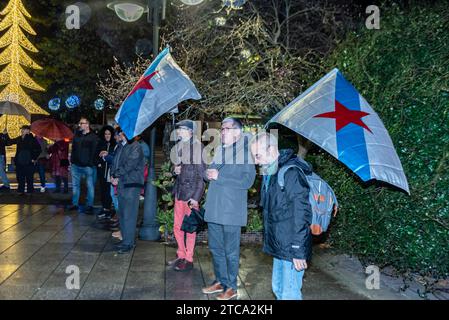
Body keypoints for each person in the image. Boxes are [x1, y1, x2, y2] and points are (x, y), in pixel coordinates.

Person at [250, 132, 312, 300]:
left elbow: (301, 213)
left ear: (270, 150)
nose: (255, 161)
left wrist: (298, 250)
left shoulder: (291, 173)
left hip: (292, 246)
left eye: (257, 155)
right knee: (278, 289)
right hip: (280, 245)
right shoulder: (271, 173)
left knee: (289, 294)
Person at [202, 117, 256, 300]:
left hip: (231, 211)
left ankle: (231, 286)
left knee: (231, 252)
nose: (222, 132)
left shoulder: (246, 153)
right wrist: (207, 174)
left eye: (226, 129)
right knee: (216, 249)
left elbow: (248, 181)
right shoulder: (220, 150)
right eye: (222, 129)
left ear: (237, 132)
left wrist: (219, 177)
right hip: (215, 208)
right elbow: (210, 172)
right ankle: (221, 281)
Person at [168, 120, 206, 272]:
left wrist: (196, 197)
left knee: (189, 228)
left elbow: (202, 176)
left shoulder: (198, 148)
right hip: (179, 193)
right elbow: (176, 168)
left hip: (190, 195)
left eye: (182, 129)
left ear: (191, 131)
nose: (178, 132)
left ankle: (188, 258)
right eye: (178, 129)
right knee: (177, 227)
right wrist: (174, 170)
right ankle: (181, 254)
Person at [110, 129, 145, 254]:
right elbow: (115, 162)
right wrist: (113, 175)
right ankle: (126, 240)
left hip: (131, 184)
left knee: (129, 215)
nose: (118, 135)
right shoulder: (121, 146)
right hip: (122, 183)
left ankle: (128, 243)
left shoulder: (135, 147)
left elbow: (130, 165)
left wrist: (116, 175)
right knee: (123, 214)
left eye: (120, 133)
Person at [67, 117, 99, 214]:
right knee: (75, 186)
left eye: (82, 123)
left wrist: (90, 163)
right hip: (75, 165)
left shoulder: (93, 137)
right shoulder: (77, 135)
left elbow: (94, 152)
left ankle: (89, 205)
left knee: (90, 186)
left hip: (88, 166)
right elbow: (73, 149)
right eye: (79, 123)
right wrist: (72, 161)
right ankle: (75, 204)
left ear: (87, 124)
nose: (80, 125)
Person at [6, 125, 41, 195]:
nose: (21, 130)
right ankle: (20, 190)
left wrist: (34, 158)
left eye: (23, 129)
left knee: (29, 177)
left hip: (28, 161)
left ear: (28, 131)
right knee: (20, 176)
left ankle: (30, 190)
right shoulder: (19, 138)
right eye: (22, 129)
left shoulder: (32, 139)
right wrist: (6, 134)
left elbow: (39, 149)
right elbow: (9, 142)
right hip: (19, 161)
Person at [96, 125, 116, 220]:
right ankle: (104, 208)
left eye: (109, 134)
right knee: (103, 190)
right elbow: (95, 157)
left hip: (110, 172)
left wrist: (108, 154)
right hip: (101, 171)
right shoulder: (100, 144)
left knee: (109, 192)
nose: (107, 136)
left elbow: (115, 157)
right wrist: (99, 163)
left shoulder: (114, 144)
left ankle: (109, 209)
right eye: (105, 134)